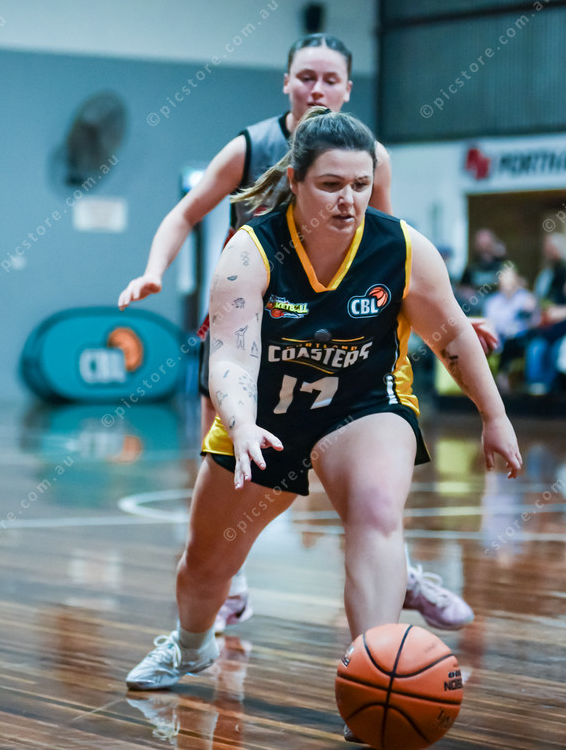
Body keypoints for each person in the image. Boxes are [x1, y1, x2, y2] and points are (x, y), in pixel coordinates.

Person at [124, 110, 522, 742]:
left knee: (375, 510)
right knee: (205, 565)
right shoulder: (251, 250)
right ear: (295, 181)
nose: (349, 200)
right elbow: (230, 358)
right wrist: (242, 423)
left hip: (364, 405)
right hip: (264, 417)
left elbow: (452, 336)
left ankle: (377, 678)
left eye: (360, 185)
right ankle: (191, 645)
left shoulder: (403, 248)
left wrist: (494, 416)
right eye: (331, 184)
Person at [118, 33, 490, 633]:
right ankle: (227, 583)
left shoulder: (368, 156)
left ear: (347, 89)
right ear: (286, 82)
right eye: (307, 77)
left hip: (343, 336)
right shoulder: (249, 148)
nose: (317, 89)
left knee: (372, 497)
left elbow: (392, 254)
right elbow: (187, 212)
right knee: (230, 459)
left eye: (330, 79)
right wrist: (153, 270)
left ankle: (399, 578)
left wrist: (446, 318)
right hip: (253, 325)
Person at [483, 264, 540, 392]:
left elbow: (534, 321)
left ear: (516, 281)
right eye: (504, 280)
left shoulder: (526, 298)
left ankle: (502, 377)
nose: (507, 284)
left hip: (521, 339)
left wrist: (529, 309)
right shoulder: (492, 302)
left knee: (516, 342)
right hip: (499, 339)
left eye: (510, 280)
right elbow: (489, 324)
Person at [524, 233, 566, 394]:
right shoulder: (546, 276)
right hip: (547, 328)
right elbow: (539, 302)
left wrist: (561, 312)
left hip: (562, 330)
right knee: (536, 348)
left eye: (551, 248)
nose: (547, 252)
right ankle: (537, 390)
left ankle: (554, 392)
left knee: (557, 351)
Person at [458, 228, 507, 314]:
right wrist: (468, 293)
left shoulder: (501, 265)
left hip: (498, 302)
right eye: (481, 245)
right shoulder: (472, 267)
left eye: (487, 245)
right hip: (476, 302)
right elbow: (462, 287)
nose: (484, 248)